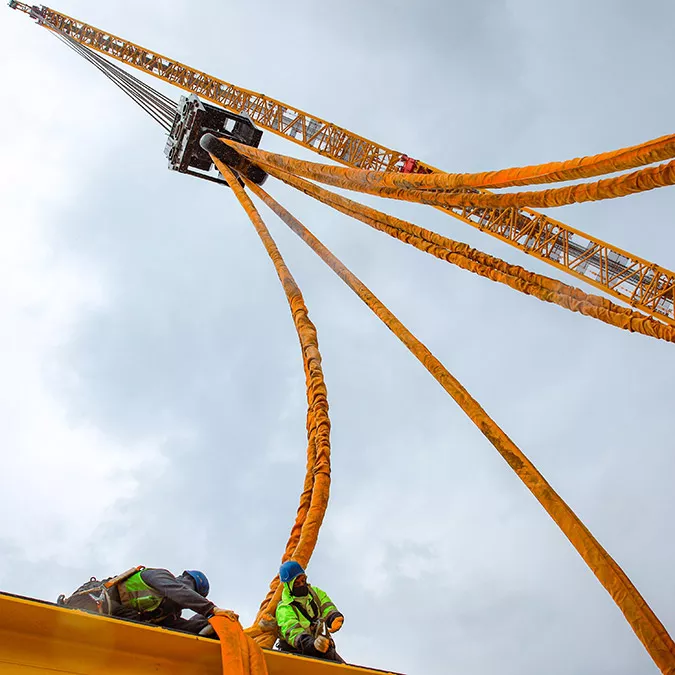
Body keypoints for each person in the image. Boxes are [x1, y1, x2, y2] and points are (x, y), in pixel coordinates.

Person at [109, 567, 235, 634]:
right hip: (103, 600)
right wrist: (211, 609)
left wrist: (213, 623)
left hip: (124, 619)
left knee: (150, 628)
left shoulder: (168, 613)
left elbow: (183, 628)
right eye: (192, 593)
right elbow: (178, 591)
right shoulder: (160, 576)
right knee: (136, 622)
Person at [275, 561, 344, 662]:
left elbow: (326, 606)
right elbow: (292, 631)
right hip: (295, 652)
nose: (302, 585)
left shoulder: (314, 592)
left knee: (340, 667)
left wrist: (333, 617)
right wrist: (312, 643)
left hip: (320, 646)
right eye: (297, 583)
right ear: (288, 586)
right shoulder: (284, 608)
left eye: (303, 580)